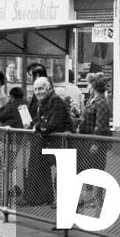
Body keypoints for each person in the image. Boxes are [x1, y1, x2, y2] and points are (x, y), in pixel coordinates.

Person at [22, 76, 72, 206]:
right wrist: (34, 124)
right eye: (35, 89)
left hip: (61, 143)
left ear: (49, 88)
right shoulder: (45, 102)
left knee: (62, 174)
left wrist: (37, 126)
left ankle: (62, 201)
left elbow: (53, 125)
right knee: (44, 168)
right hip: (53, 142)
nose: (38, 92)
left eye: (41, 88)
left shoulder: (55, 102)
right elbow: (43, 122)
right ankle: (45, 198)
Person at [77, 75, 112, 209]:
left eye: (89, 84)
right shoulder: (93, 100)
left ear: (95, 86)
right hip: (87, 140)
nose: (88, 87)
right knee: (89, 168)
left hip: (95, 142)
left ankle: (97, 200)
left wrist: (96, 143)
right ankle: (89, 198)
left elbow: (100, 125)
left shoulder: (101, 102)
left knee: (97, 169)